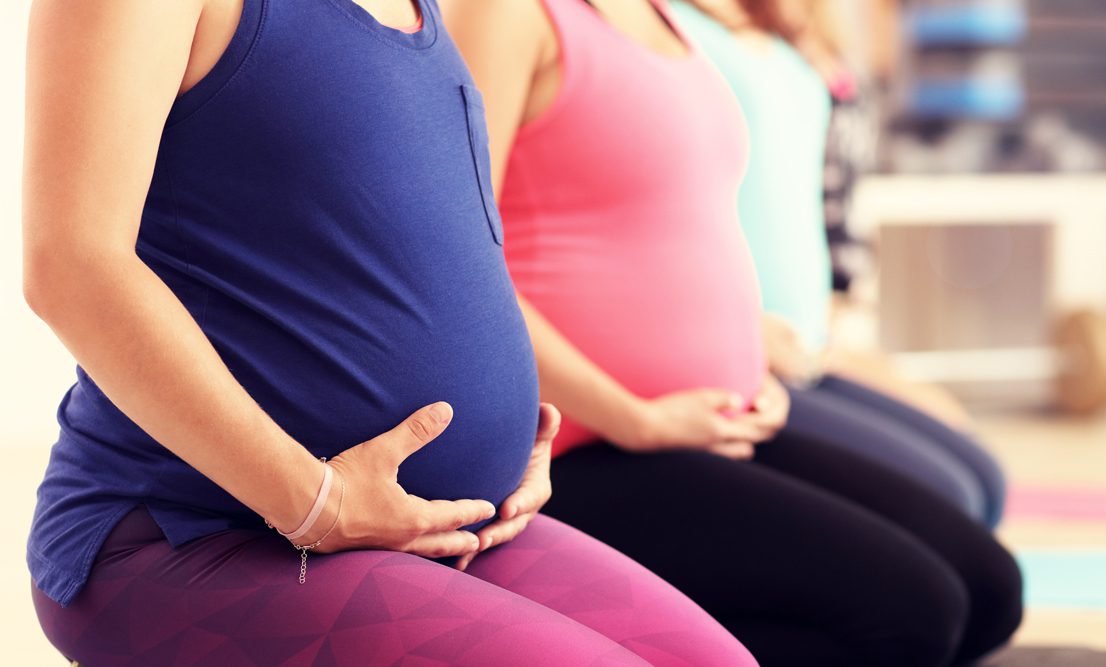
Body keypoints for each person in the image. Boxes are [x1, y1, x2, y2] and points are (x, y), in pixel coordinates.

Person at [21, 1, 753, 665]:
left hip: (440, 525)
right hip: (197, 530)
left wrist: (499, 434)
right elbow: (72, 266)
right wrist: (317, 501)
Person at [443, 1, 1024, 665]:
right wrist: (633, 419)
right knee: (910, 613)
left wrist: (750, 367)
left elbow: (676, 227)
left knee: (988, 587)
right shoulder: (513, 13)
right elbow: (459, 263)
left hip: (714, 420)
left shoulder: (669, 18)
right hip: (584, 445)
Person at [672, 0, 1010, 528]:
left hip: (810, 348)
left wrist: (835, 323)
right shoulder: (666, 25)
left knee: (983, 477)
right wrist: (730, 328)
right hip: (738, 352)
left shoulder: (791, 29)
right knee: (953, 499)